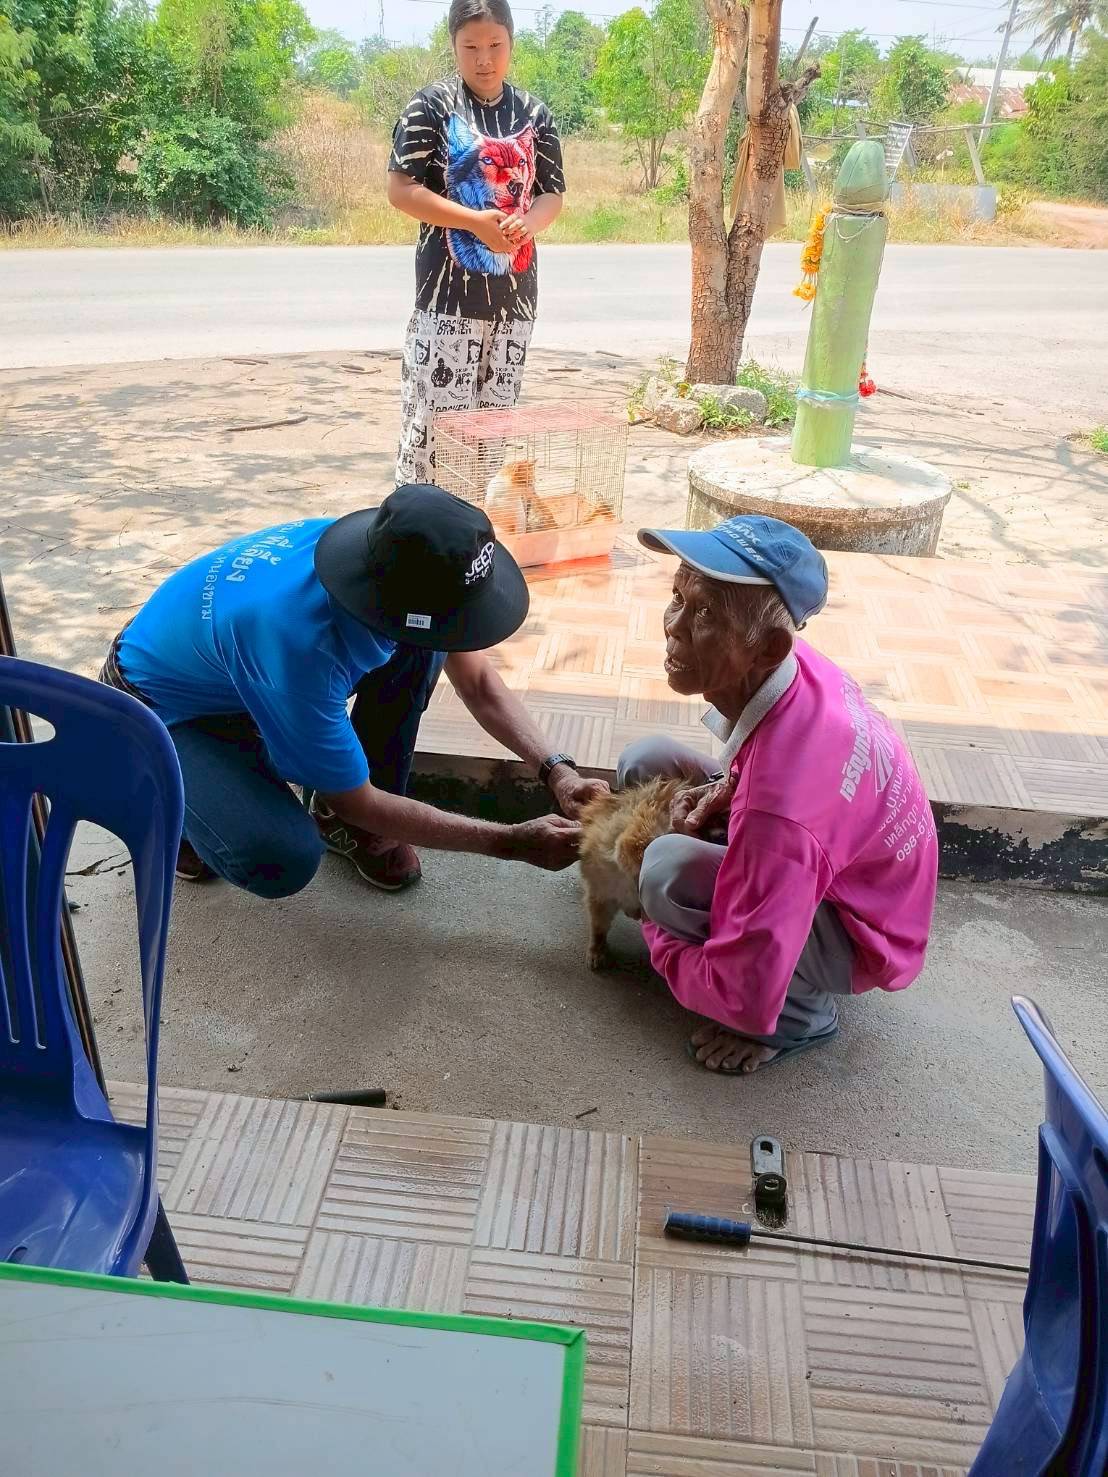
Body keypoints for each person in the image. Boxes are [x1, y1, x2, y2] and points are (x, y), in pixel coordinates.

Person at [99, 485, 605, 896]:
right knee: (277, 857)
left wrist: (556, 770)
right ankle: (171, 803)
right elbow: (358, 798)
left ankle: (339, 804)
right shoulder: (299, 647)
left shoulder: (382, 558)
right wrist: (511, 842)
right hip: (155, 706)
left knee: (423, 647)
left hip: (239, 675)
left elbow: (476, 680)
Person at [622, 514, 939, 1075]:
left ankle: (795, 1017)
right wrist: (726, 789)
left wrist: (651, 925)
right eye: (678, 597)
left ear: (767, 648)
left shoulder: (780, 815)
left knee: (661, 872)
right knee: (645, 762)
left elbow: (735, 984)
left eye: (704, 615)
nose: (672, 626)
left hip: (860, 929)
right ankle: (773, 950)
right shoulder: (799, 668)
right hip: (833, 858)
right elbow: (795, 791)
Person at [387, 0, 564, 485]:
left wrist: (527, 222)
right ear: (453, 46)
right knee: (432, 435)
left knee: (489, 438)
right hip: (446, 302)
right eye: (470, 47)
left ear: (511, 43)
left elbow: (552, 194)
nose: (484, 59)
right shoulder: (432, 107)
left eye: (495, 46)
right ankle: (413, 543)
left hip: (515, 303)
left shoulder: (534, 112)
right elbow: (400, 189)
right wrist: (472, 221)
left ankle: (470, 544)